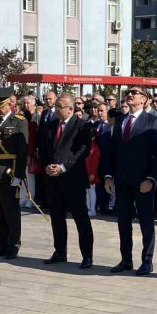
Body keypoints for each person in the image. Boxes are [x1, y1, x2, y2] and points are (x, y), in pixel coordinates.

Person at [103, 86, 157, 276]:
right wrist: (108, 176)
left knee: (146, 222)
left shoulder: (152, 121)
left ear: (144, 99)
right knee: (123, 222)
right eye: (128, 92)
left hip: (143, 181)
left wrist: (151, 179)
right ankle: (126, 259)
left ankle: (147, 260)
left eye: (135, 93)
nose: (130, 95)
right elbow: (111, 151)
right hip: (121, 180)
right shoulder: (120, 121)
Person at [37, 93, 94, 269]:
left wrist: (63, 167)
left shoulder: (82, 125)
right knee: (57, 217)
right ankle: (60, 251)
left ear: (70, 108)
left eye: (59, 107)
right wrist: (47, 166)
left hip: (73, 179)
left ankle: (87, 256)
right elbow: (45, 148)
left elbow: (82, 151)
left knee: (80, 218)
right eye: (55, 107)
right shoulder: (51, 125)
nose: (56, 110)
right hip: (53, 179)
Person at [0, 88, 28, 260]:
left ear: (9, 104)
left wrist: (19, 175)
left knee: (11, 210)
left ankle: (13, 244)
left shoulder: (19, 122)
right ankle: (2, 243)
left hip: (10, 171)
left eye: (1, 106)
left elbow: (22, 151)